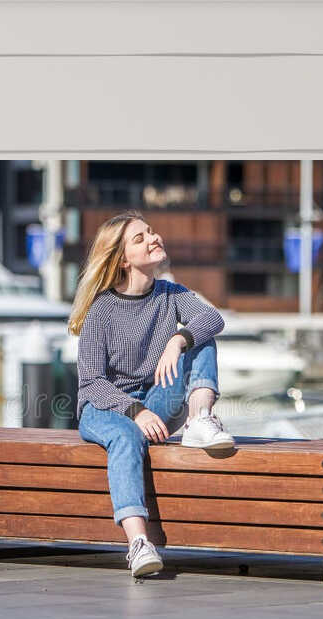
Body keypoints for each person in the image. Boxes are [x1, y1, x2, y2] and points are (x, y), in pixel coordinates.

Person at [67, 211, 234, 579]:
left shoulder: (171, 295)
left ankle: (200, 419)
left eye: (151, 232)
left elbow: (214, 320)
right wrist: (136, 411)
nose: (153, 238)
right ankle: (139, 543)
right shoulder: (102, 310)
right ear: (123, 259)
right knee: (126, 437)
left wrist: (178, 339)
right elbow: (92, 382)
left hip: (156, 401)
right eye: (140, 238)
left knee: (199, 337)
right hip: (107, 407)